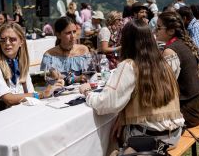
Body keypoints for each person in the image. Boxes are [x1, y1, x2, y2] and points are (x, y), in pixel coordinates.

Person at [79, 19, 184, 153]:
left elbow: (106, 104)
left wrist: (87, 92)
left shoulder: (130, 66)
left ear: (126, 41)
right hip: (174, 136)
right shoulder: (164, 62)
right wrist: (123, 115)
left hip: (149, 139)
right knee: (118, 126)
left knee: (111, 138)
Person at [0, 22, 62, 117]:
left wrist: (53, 89)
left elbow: (30, 93)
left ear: (21, 42)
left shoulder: (21, 64)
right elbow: (8, 99)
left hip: (18, 115)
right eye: (3, 39)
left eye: (12, 39)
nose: (7, 43)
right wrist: (41, 94)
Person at [157, 11, 199, 128]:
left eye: (159, 27)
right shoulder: (183, 43)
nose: (155, 31)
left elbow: (165, 85)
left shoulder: (170, 51)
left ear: (171, 31)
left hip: (190, 111)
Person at [40, 17, 91, 85]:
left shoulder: (83, 50)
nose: (73, 36)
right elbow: (53, 80)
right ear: (58, 35)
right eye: (68, 33)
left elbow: (90, 73)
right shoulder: (50, 56)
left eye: (74, 32)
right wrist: (75, 79)